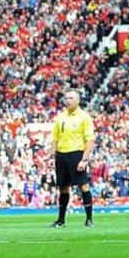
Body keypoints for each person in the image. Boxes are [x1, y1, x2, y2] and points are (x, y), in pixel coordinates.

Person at [50, 89, 96, 228]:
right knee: (63, 188)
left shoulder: (84, 117)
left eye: (70, 98)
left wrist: (84, 159)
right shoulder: (60, 117)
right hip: (61, 155)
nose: (67, 101)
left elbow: (89, 140)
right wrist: (53, 157)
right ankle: (61, 220)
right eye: (66, 98)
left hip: (77, 154)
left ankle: (89, 219)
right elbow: (55, 138)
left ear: (77, 100)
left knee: (83, 186)